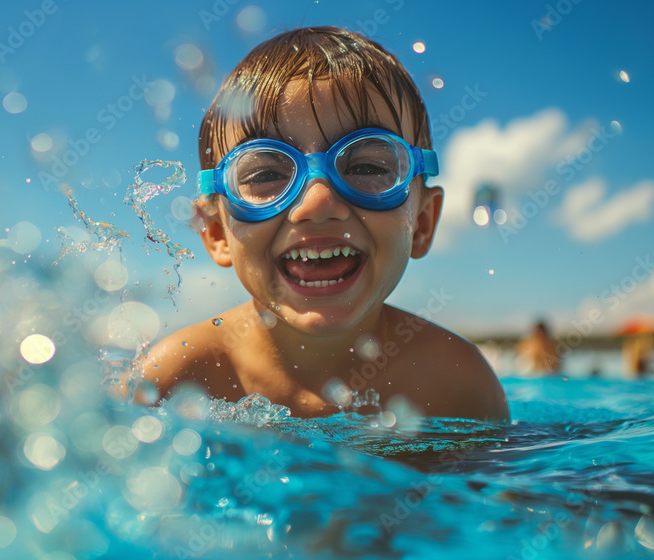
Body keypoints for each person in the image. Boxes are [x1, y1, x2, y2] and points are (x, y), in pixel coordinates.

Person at [138, 27, 509, 423]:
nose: (317, 203)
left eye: (367, 166)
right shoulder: (177, 382)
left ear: (420, 222)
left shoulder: (455, 383)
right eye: (264, 174)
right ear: (216, 234)